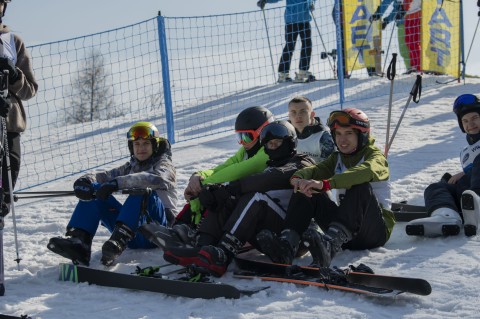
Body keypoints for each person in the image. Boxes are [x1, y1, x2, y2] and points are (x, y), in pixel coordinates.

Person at [163, 120, 316, 276]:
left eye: (278, 143)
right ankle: (203, 246)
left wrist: (230, 188)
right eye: (270, 144)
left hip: (295, 238)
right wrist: (218, 192)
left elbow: (271, 179)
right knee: (228, 199)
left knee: (255, 197)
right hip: (268, 236)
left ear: (291, 143)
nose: (274, 147)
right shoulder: (270, 165)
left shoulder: (302, 162)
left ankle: (223, 252)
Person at [256, 108, 395, 267]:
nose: (342, 139)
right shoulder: (337, 157)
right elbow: (315, 170)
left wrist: (325, 184)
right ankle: (287, 246)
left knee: (360, 187)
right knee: (307, 189)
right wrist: (298, 178)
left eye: (349, 133)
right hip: (347, 233)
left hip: (374, 233)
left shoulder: (376, 157)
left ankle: (329, 246)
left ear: (361, 135)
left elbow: (364, 172)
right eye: (338, 134)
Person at [141, 106, 275, 247]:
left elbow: (239, 170)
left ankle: (200, 235)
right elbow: (223, 167)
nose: (242, 142)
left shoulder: (267, 151)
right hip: (246, 200)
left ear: (262, 133)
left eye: (247, 136)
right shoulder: (246, 151)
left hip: (262, 209)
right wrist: (199, 176)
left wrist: (204, 184)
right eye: (239, 137)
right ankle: (178, 229)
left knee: (216, 193)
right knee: (210, 190)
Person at [47, 122, 177, 266]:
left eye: (146, 143)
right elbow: (104, 177)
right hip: (132, 235)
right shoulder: (130, 167)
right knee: (95, 190)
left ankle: (117, 241)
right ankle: (80, 243)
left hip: (158, 233)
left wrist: (117, 183)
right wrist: (85, 181)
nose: (141, 148)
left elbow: (157, 178)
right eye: (137, 144)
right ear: (131, 147)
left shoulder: (165, 165)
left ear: (155, 146)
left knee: (142, 190)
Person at [406, 94, 480, 237]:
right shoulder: (466, 152)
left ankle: (477, 202)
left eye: (475, 118)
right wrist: (463, 175)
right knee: (436, 187)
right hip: (468, 195)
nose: (470, 124)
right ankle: (446, 216)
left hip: (476, 192)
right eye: (465, 121)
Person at [0, 0, 38, 218]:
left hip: (9, 126)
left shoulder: (12, 42)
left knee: (4, 193)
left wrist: (15, 76)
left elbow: (30, 90)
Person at [257, 0, 317, 83]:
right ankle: (283, 74)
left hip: (305, 20)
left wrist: (312, 4)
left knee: (307, 45)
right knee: (290, 46)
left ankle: (303, 71)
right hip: (291, 22)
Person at [287, 96, 334, 162]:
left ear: (312, 115)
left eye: (303, 111)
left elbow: (329, 167)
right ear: (289, 116)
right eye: (293, 112)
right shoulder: (285, 134)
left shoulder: (323, 136)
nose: (298, 116)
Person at [370, 0, 410, 70]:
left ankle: (415, 68)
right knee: (403, 49)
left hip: (413, 20)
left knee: (410, 47)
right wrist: (385, 19)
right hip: (402, 23)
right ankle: (410, 68)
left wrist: (403, 9)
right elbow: (392, 6)